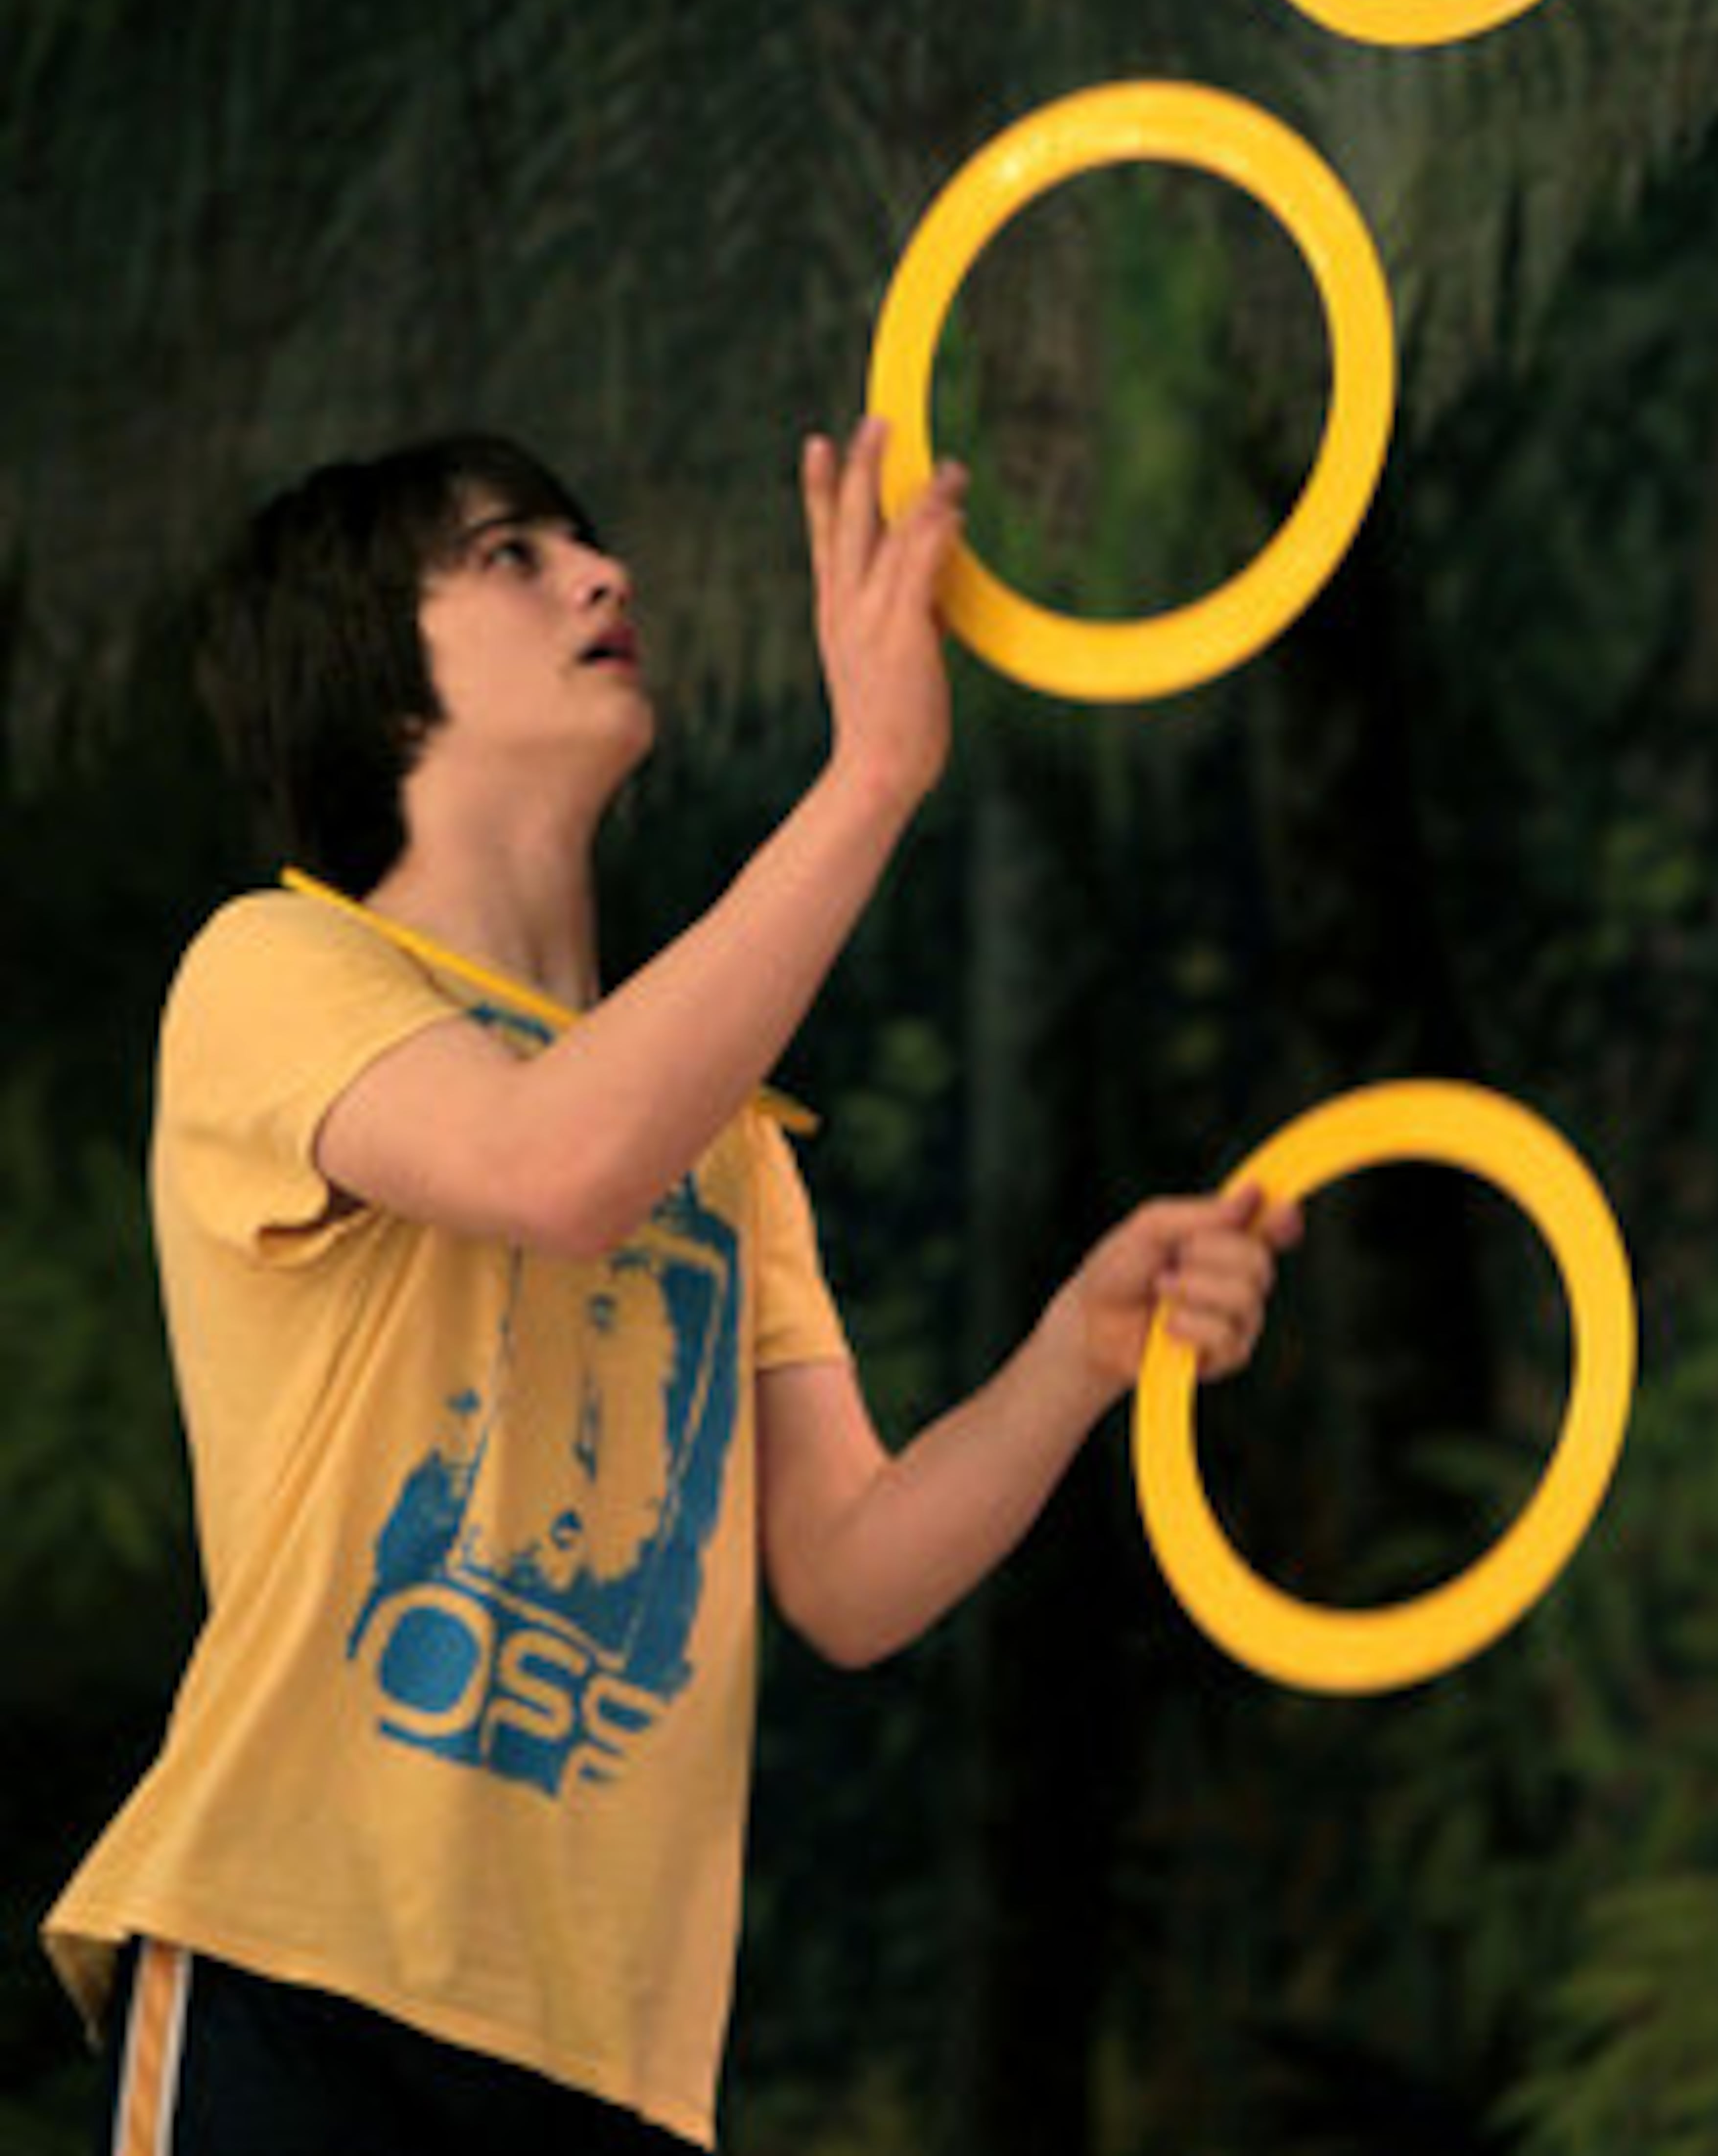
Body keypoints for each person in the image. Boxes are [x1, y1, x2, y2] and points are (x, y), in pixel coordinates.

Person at [46, 417, 1299, 2155]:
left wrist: (1077, 1355)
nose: (602, 573)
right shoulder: (275, 969)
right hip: (296, 1973)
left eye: (583, 542)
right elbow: (556, 1166)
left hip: (611, 2058)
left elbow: (852, 1575)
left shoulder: (724, 1141)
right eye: (513, 554)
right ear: (370, 667)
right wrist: (870, 780)